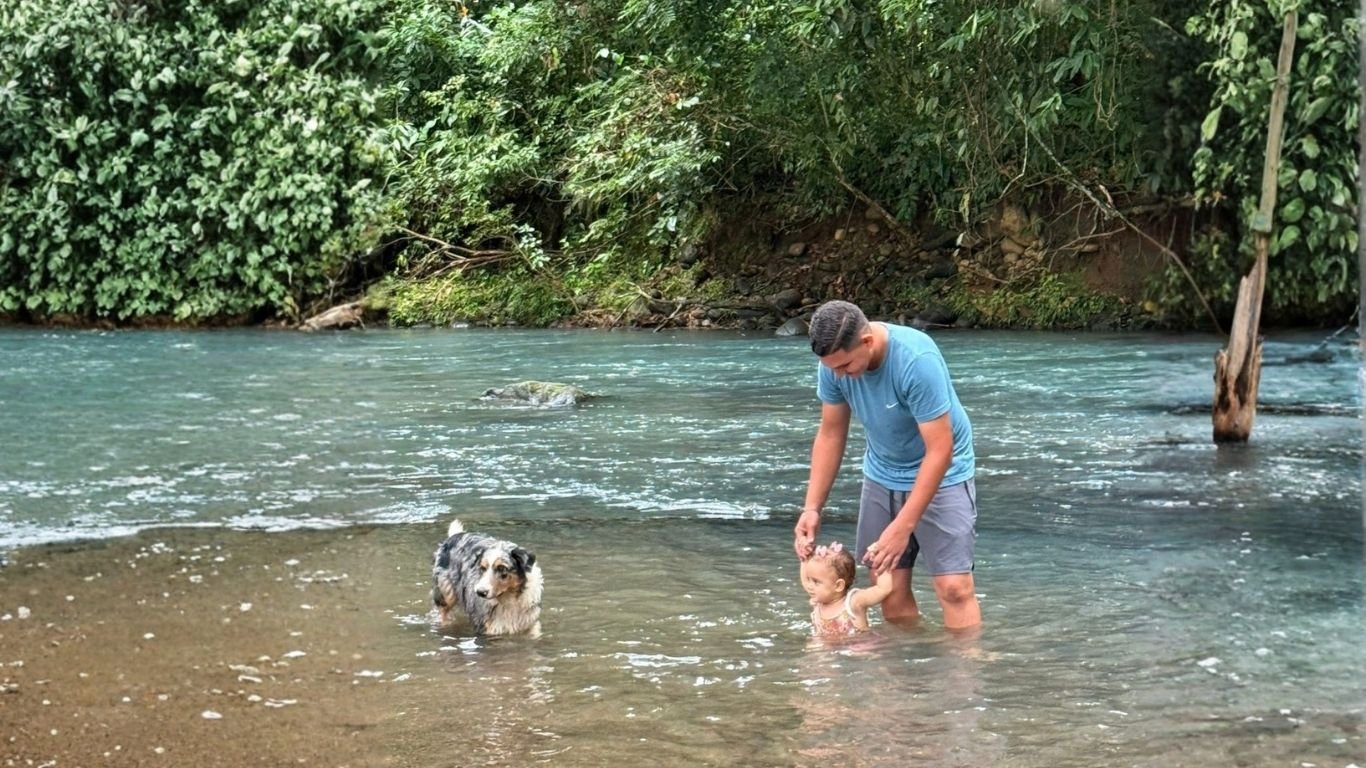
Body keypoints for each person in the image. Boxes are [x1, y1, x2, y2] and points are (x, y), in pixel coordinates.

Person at [793, 300, 981, 629]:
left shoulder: (916, 361)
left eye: (846, 366)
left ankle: (963, 676)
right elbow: (831, 435)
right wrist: (812, 508)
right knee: (888, 591)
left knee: (953, 589)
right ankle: (906, 673)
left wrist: (903, 526)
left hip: (944, 474)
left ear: (867, 342)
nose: (839, 375)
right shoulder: (833, 364)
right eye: (832, 368)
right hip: (882, 474)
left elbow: (941, 450)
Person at [801, 541, 894, 637]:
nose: (809, 586)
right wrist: (804, 558)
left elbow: (883, 589)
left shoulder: (854, 602)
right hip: (828, 647)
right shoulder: (817, 601)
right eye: (809, 579)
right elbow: (805, 580)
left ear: (838, 586)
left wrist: (882, 561)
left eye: (816, 582)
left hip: (856, 647)